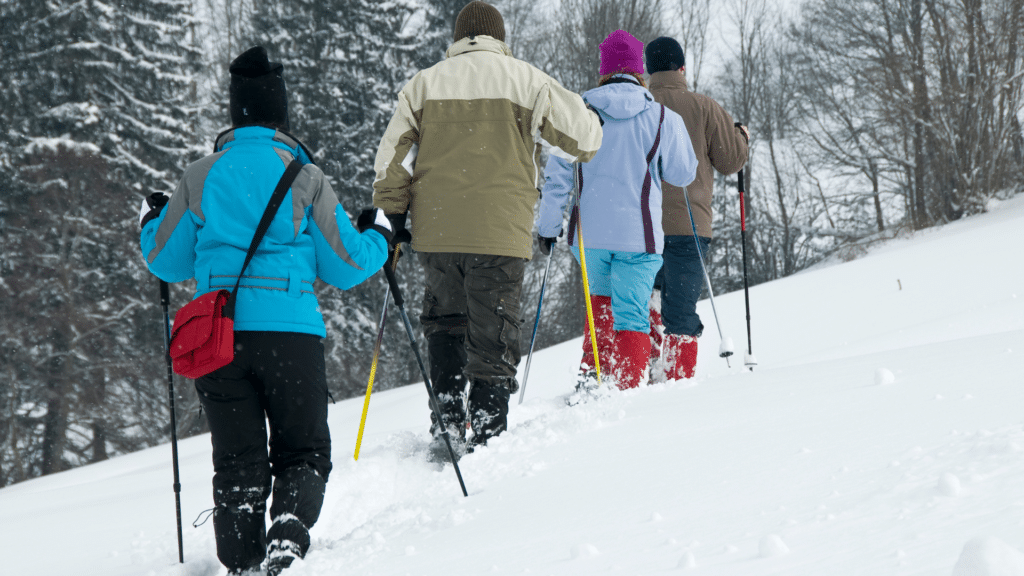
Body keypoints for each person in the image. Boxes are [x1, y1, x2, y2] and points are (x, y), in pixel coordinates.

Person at [139, 47, 391, 576]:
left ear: (236, 114)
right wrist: (381, 236)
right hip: (290, 336)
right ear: (282, 113)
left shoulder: (200, 176)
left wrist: (151, 218)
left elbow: (165, 259)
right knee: (302, 451)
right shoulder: (305, 176)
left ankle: (240, 562)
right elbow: (347, 266)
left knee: (237, 460)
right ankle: (288, 537)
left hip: (218, 338)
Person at [372, 1, 602, 456]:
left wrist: (392, 217)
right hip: (500, 233)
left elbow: (391, 162)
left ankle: (449, 422)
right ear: (500, 38)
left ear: (458, 40)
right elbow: (585, 140)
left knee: (446, 324)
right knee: (494, 332)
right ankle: (488, 429)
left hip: (437, 233)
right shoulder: (527, 81)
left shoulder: (423, 85)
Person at [537, 30, 698, 390]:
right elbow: (683, 173)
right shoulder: (661, 117)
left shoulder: (579, 113)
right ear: (639, 71)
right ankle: (625, 390)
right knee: (632, 316)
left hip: (591, 237)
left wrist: (548, 228)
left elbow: (557, 178)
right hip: (639, 238)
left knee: (601, 309)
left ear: (603, 69)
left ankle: (595, 380)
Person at [644, 36, 749, 381]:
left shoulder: (640, 104)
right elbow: (730, 161)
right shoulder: (704, 107)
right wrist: (742, 137)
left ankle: (647, 370)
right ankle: (677, 381)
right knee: (682, 309)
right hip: (690, 227)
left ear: (648, 69)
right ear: (682, 68)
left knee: (647, 300)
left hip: (643, 228)